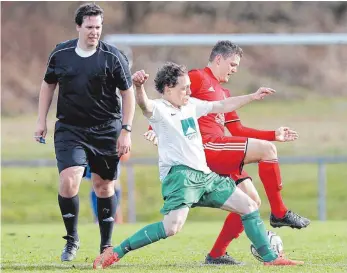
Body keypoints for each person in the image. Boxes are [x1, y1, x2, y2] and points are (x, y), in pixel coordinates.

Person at [93, 63, 304, 269]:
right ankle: (116, 252)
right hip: (181, 177)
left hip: (206, 177)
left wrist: (252, 96)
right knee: (171, 227)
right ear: (168, 89)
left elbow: (221, 105)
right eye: (183, 88)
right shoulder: (159, 109)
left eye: (189, 87)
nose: (188, 91)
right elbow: (144, 104)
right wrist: (138, 87)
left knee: (249, 206)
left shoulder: (191, 105)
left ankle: (269, 257)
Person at [144, 41, 310, 265]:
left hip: (222, 149)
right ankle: (279, 213)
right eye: (232, 64)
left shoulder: (225, 92)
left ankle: (216, 255)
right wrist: (153, 128)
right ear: (218, 59)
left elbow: (238, 130)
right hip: (206, 148)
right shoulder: (198, 76)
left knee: (251, 201)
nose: (235, 69)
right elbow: (170, 100)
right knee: (267, 151)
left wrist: (274, 134)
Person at [33, 3, 135, 262]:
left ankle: (106, 245)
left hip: (105, 130)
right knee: (69, 182)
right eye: (89, 27)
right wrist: (40, 120)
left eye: (98, 27)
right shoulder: (61, 54)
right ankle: (71, 239)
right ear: (78, 26)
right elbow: (48, 86)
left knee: (103, 186)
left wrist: (126, 130)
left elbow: (128, 93)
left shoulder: (113, 57)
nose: (94, 32)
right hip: (70, 129)